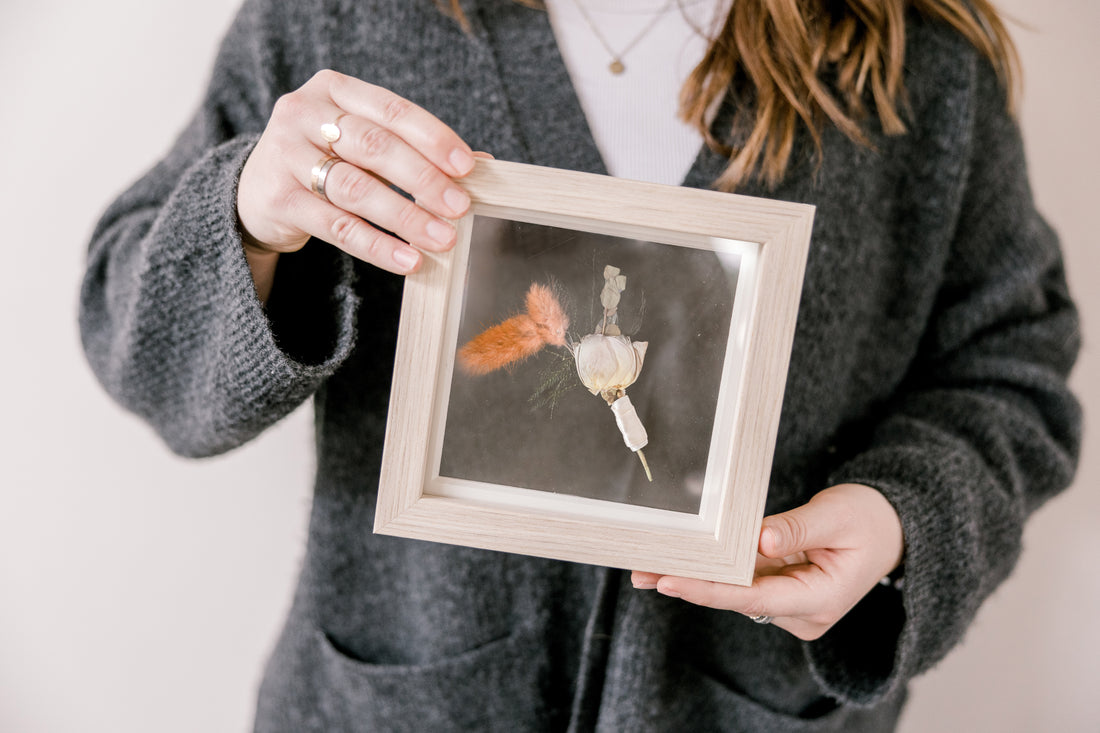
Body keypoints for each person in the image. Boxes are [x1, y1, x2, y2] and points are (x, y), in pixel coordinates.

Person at [79, 0, 1081, 730]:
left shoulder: (914, 62)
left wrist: (903, 520)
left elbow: (1010, 361)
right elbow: (142, 354)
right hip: (390, 698)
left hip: (751, 704)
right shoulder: (342, 19)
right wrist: (251, 217)